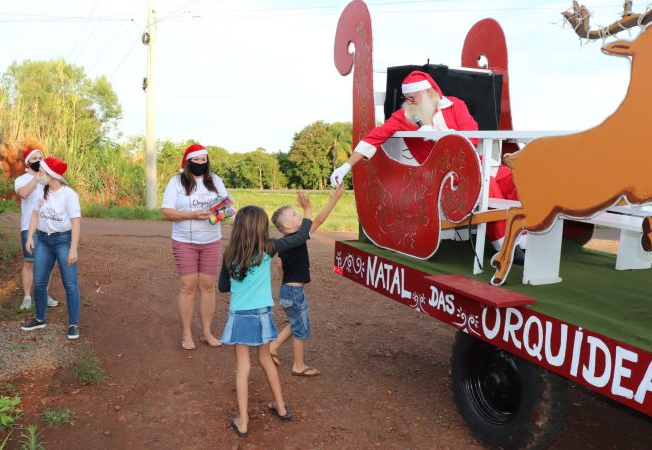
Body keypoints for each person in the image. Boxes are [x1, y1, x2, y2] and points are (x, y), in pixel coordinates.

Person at [329, 70, 524, 259]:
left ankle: (524, 235)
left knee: (515, 176)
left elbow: (472, 138)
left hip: (472, 162)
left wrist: (439, 136)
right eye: (407, 98)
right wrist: (346, 166)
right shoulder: (404, 116)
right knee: (488, 183)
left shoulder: (456, 105)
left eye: (413, 98)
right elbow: (373, 139)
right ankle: (507, 246)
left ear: (429, 93)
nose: (409, 102)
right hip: (441, 173)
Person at [217, 201, 312, 438]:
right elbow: (300, 238)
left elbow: (222, 287)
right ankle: (281, 408)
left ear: (238, 228)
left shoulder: (229, 255)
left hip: (240, 316)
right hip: (262, 315)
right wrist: (307, 213)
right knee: (266, 360)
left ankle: (244, 421)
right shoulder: (268, 249)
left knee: (243, 367)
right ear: (261, 228)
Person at [268, 186, 346, 377]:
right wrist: (331, 201)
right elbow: (318, 220)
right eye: (295, 215)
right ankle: (298, 365)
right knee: (301, 329)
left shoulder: (287, 241)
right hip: (295, 293)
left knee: (296, 323)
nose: (299, 216)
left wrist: (284, 282)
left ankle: (273, 345)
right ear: (287, 225)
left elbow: (279, 265)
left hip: (287, 291)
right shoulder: (298, 239)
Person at [161, 143, 228, 350]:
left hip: (211, 240)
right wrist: (191, 215)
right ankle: (187, 333)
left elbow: (225, 208)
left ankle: (206, 333)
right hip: (184, 241)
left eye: (203, 159)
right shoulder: (176, 182)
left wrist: (221, 212)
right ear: (188, 162)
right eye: (196, 160)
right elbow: (166, 212)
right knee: (188, 287)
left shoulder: (215, 181)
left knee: (208, 286)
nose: (200, 163)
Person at [21, 157, 83, 340]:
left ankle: (73, 324)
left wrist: (73, 248)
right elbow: (34, 214)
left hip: (63, 240)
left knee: (70, 284)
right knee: (39, 282)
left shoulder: (69, 195)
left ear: (52, 175)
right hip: (43, 240)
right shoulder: (41, 191)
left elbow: (76, 222)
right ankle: (40, 319)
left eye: (41, 171)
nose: (38, 174)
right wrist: (30, 236)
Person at [13, 144, 58, 310]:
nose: (39, 161)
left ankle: (44, 295)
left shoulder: (49, 180)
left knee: (47, 264)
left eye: (41, 158)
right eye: (35, 159)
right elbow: (24, 193)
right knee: (29, 264)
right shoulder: (21, 180)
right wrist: (37, 177)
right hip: (28, 228)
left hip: (48, 228)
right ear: (27, 163)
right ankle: (26, 297)